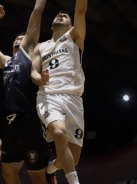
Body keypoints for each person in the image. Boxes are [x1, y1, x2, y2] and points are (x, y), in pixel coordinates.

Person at [0, 1, 52, 184]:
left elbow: (37, 12)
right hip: (10, 124)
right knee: (7, 173)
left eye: (22, 37)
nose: (18, 38)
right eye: (16, 37)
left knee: (36, 175)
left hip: (30, 123)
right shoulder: (6, 61)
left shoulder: (28, 53)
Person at [30, 0, 88, 183]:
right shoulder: (40, 47)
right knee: (59, 132)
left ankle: (51, 168)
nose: (61, 14)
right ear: (51, 24)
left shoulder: (75, 36)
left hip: (73, 98)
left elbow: (80, 10)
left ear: (71, 25)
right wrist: (39, 79)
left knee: (73, 159)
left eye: (65, 15)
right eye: (58, 14)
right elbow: (33, 72)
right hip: (48, 96)